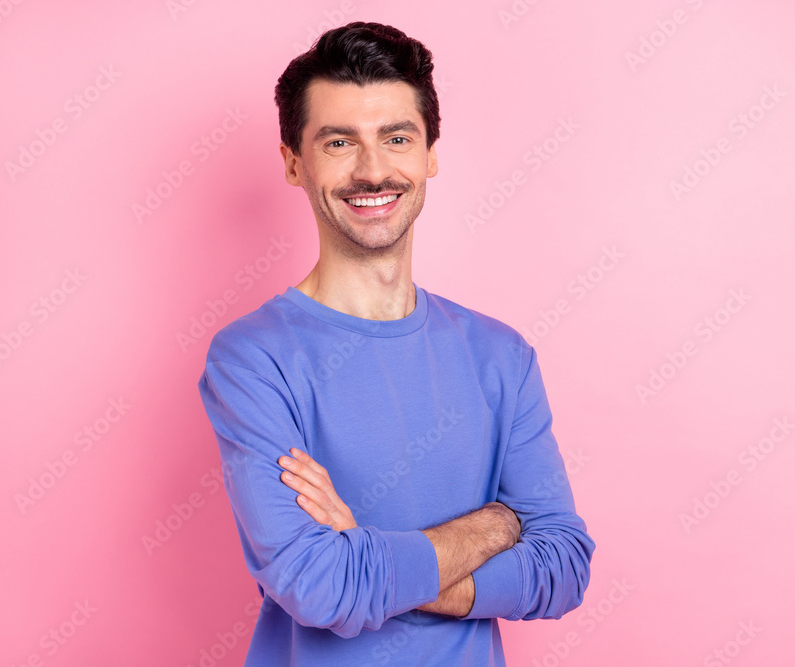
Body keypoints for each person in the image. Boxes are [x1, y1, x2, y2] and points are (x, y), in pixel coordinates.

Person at [198, 21, 594, 666]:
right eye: (339, 142)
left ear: (430, 153)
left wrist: (366, 552)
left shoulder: (501, 356)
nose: (373, 170)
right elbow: (321, 586)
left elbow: (563, 570)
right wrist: (496, 524)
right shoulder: (253, 359)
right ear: (294, 162)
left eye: (397, 138)